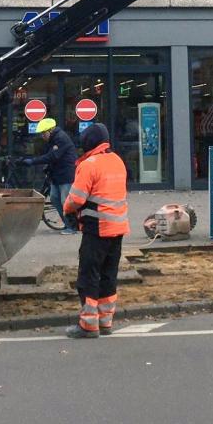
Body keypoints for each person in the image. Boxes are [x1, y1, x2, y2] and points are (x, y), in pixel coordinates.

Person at [62, 123, 129, 338]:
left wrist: (66, 209)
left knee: (88, 275)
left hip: (97, 228)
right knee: (108, 275)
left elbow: (77, 198)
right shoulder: (117, 160)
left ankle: (88, 325)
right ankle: (105, 321)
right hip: (118, 228)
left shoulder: (89, 164)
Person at [22, 117, 78, 234]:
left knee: (65, 201)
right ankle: (67, 224)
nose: (42, 136)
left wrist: (33, 161)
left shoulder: (61, 139)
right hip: (56, 175)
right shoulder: (52, 140)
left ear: (50, 130)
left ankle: (72, 227)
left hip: (66, 175)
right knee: (54, 198)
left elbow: (52, 156)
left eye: (43, 133)